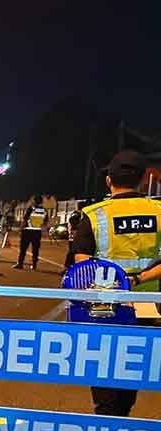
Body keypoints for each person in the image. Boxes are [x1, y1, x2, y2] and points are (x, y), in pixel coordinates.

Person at [71, 150, 161, 416]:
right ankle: (121, 415)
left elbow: (82, 264)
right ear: (143, 180)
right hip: (146, 304)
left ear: (108, 180)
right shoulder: (158, 212)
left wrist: (114, 282)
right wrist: (138, 279)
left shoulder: (94, 215)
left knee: (104, 368)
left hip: (105, 305)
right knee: (131, 367)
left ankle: (108, 420)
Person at [14, 195, 47, 270]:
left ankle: (20, 263)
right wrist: (44, 230)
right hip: (37, 232)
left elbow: (25, 219)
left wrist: (20, 229)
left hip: (27, 231)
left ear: (35, 201)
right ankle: (34, 265)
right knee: (35, 249)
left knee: (23, 248)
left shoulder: (31, 208)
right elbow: (45, 222)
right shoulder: (44, 210)